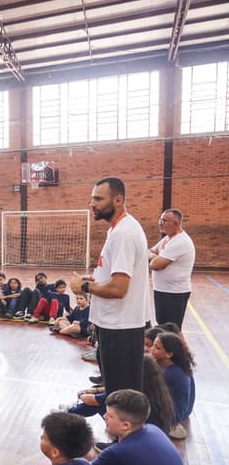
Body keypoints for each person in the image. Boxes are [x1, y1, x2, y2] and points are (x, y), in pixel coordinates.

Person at [69, 177, 149, 394]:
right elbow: (114, 275)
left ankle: (127, 427)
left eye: (98, 198)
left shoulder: (123, 233)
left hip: (121, 327)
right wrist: (93, 279)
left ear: (118, 200)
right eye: (91, 199)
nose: (92, 204)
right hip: (114, 324)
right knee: (114, 389)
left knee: (123, 394)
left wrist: (84, 288)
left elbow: (118, 289)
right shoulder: (116, 230)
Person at [149, 209, 195, 328]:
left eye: (164, 220)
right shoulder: (167, 239)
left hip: (174, 293)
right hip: (163, 290)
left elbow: (155, 265)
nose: (160, 223)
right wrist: (158, 257)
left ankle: (183, 347)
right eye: (160, 219)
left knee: (171, 330)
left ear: (175, 223)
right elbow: (149, 252)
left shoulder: (180, 241)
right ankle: (183, 347)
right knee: (166, 327)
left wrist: (156, 259)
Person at [150, 333, 195, 439]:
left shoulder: (170, 374)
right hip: (184, 411)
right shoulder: (178, 367)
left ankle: (167, 427)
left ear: (169, 354)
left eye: (157, 347)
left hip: (174, 416)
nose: (151, 349)